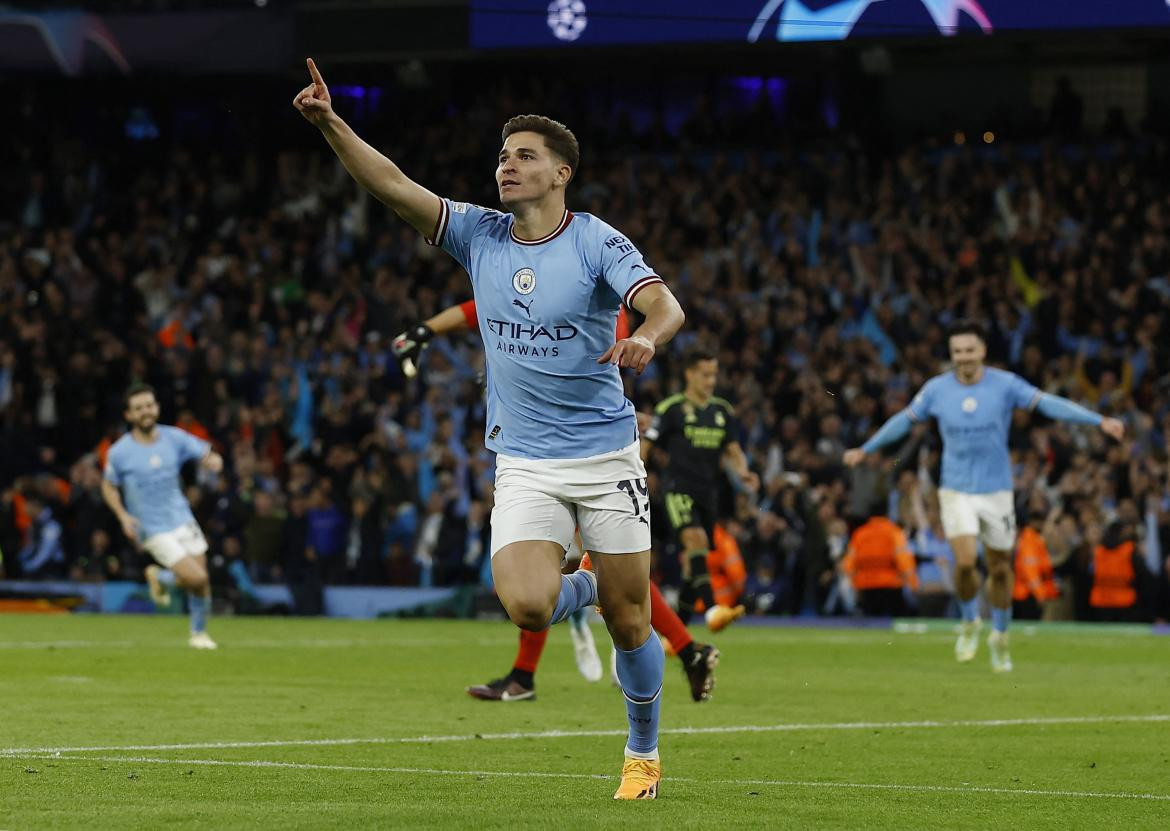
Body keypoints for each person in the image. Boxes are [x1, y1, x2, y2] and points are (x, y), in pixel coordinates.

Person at [296, 60, 685, 799]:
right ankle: (592, 586)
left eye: (525, 155)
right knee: (527, 602)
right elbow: (392, 185)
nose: (507, 165)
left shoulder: (597, 242)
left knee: (634, 623)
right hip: (527, 460)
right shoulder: (479, 234)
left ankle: (642, 750)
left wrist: (649, 339)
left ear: (561, 172)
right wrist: (331, 123)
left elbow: (664, 304)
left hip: (606, 455)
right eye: (503, 155)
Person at [395, 302, 720, 703]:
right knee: (560, 575)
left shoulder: (595, 292)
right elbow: (482, 308)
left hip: (585, 457)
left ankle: (679, 656)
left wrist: (514, 360)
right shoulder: (541, 275)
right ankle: (684, 652)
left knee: (603, 578)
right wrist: (425, 329)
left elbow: (595, 341)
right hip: (545, 455)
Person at [844, 319, 1124, 672]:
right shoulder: (936, 389)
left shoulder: (1005, 385)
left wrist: (1099, 420)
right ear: (952, 354)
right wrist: (867, 448)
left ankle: (1001, 636)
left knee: (1000, 570)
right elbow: (904, 420)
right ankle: (969, 622)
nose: (963, 357)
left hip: (997, 491)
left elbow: (1049, 404)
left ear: (982, 352)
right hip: (956, 488)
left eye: (969, 350)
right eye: (957, 351)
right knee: (964, 563)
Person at [102, 382, 224, 649]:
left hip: (182, 518)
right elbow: (108, 486)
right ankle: (160, 576)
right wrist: (123, 516)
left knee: (200, 581)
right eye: (138, 408)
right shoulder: (119, 452)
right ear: (129, 415)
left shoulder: (174, 438)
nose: (145, 412)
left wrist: (213, 460)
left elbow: (205, 452)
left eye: (149, 405)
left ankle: (198, 634)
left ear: (156, 407)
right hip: (151, 527)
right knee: (198, 578)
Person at [642, 347, 757, 629]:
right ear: (690, 374)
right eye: (705, 375)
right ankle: (712, 609)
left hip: (708, 494)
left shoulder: (721, 411)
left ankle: (675, 632)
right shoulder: (670, 409)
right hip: (677, 489)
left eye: (713, 375)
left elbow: (732, 450)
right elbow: (646, 446)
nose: (710, 381)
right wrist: (636, 477)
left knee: (694, 564)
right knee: (696, 542)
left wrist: (743, 472)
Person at [840, 509, 918, 617]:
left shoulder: (859, 533)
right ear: (886, 515)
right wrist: (912, 583)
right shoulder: (894, 531)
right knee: (898, 619)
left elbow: (849, 561)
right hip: (891, 583)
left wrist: (853, 580)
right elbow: (903, 558)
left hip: (866, 584)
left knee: (872, 622)